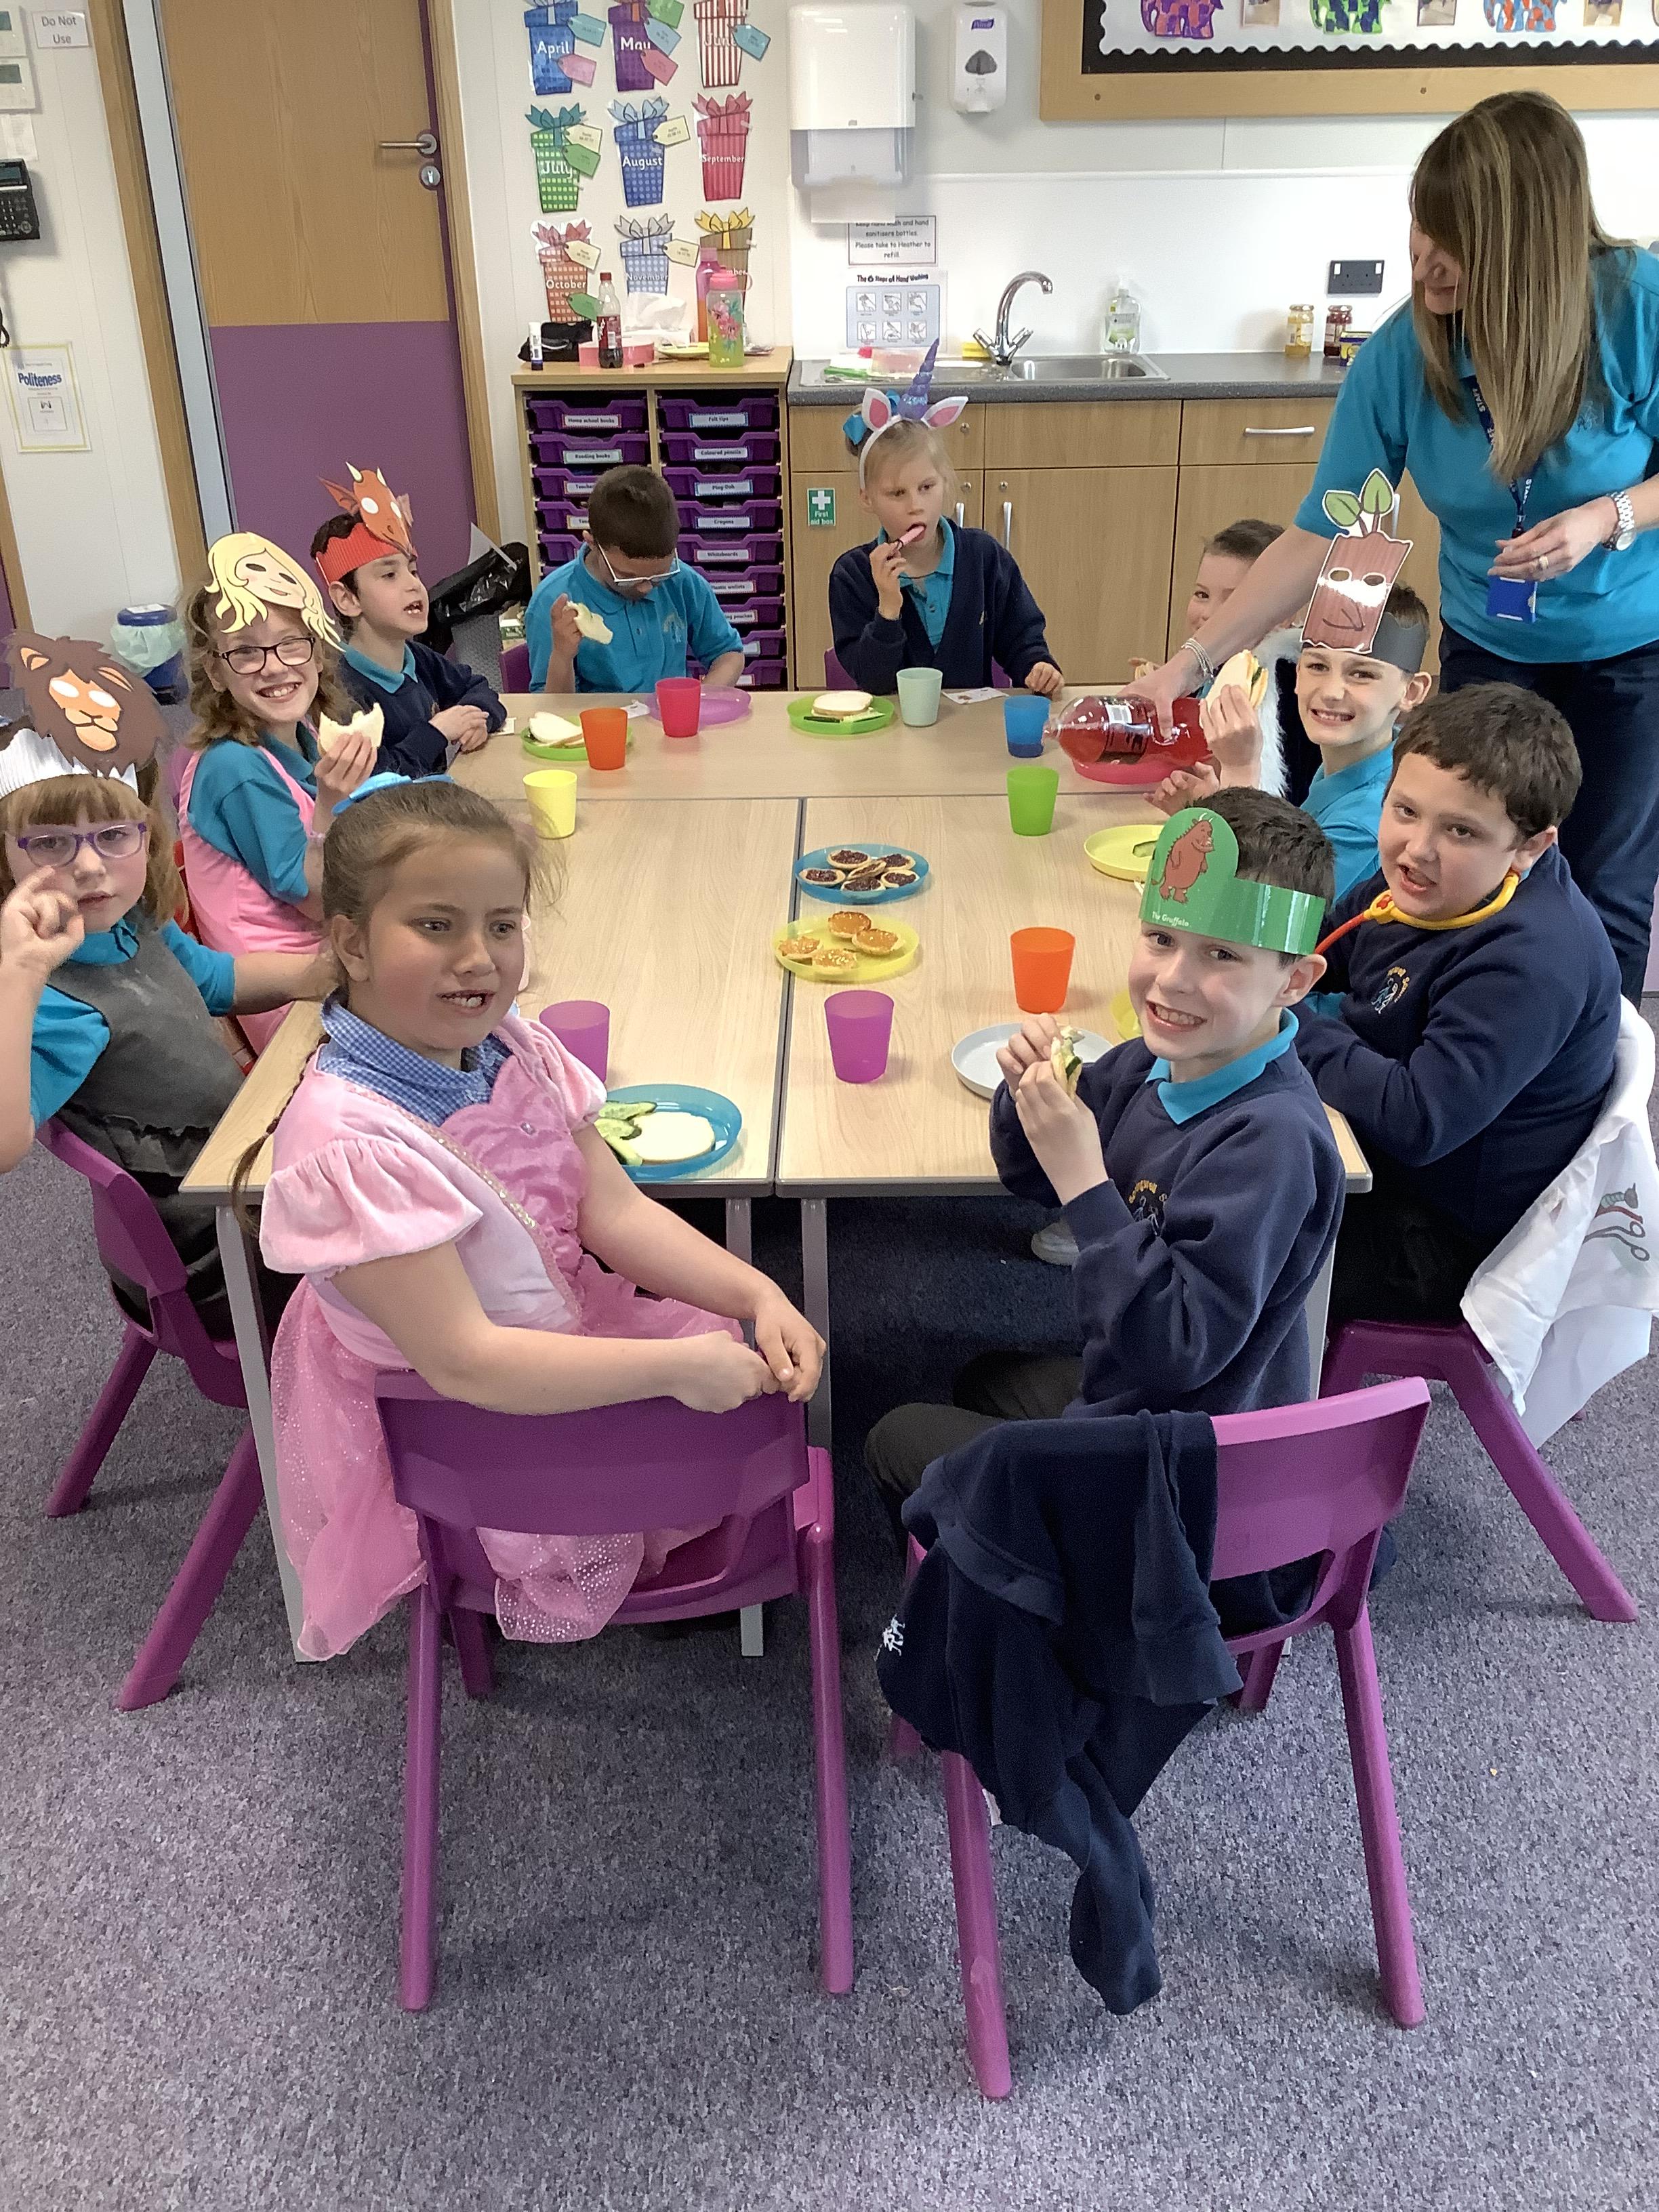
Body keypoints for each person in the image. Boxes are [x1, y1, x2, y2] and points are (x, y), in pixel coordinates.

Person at [252, 776, 823, 1660]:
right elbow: (466, 1361)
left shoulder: (512, 1046)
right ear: (352, 944)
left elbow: (613, 1211)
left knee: (726, 1395)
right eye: (436, 925)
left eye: (502, 926)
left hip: (553, 1341)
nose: (478, 958)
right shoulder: (347, 1146)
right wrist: (672, 1367)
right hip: (477, 1436)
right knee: (717, 1422)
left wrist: (757, 1293)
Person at [1131, 92, 1659, 997]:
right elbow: (1318, 533)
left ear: (1524, 246)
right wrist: (1191, 663)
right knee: (1464, 876)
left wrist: (1611, 516)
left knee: (1603, 888)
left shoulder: (1634, 308)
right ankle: (1465, 1044)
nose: (1424, 265)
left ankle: (1589, 1073)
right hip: (1495, 647)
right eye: (1419, 230)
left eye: (1452, 244)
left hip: (1631, 652)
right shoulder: (1403, 355)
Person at [865, 790, 1343, 1532]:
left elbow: (1176, 1348)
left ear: (1294, 981)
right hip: (1138, 1397)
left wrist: (1085, 1179)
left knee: (894, 1439)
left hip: (1178, 1473)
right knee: (984, 1380)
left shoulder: (1273, 1144)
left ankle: (1034, 1584)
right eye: (1161, 938)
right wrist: (1028, 1094)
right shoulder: (1154, 1063)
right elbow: (1030, 1175)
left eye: (1221, 954)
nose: (1173, 979)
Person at [1297, 684, 1620, 1331]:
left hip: (1437, 1245)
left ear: (1531, 847)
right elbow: (1325, 944)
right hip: (1384, 1163)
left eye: (1461, 831)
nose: (1416, 848)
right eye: (1405, 810)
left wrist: (1280, 1020)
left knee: (1228, 1222)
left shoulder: (1531, 963)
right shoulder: (1432, 880)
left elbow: (1417, 1120)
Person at [1032, 518, 1290, 1270]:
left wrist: (1230, 788)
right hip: (1219, 939)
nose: (1211, 616)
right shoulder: (1221, 685)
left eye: (1235, 599)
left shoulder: (1273, 698)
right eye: (1203, 595)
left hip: (1248, 986)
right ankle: (1115, 1184)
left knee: (1145, 1018)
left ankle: (1115, 1197)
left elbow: (1276, 862)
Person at [0, 764, 327, 1338]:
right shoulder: (52, 1002)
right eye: (50, 843)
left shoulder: (130, 923)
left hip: (238, 1173)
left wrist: (324, 973)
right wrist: (20, 975)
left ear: (146, 836)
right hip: (219, 1258)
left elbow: (218, 980)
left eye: (113, 834)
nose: (89, 866)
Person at [178, 531, 379, 1050]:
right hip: (288, 999)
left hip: (330, 958)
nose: (274, 665)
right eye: (246, 652)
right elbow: (314, 899)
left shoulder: (304, 736)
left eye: (292, 643)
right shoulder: (235, 767)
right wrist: (332, 803)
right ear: (215, 672)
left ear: (317, 651)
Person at [1153, 580, 1434, 899]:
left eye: (1362, 674)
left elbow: (1261, 907)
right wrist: (1217, 807)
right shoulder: (1351, 767)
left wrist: (1240, 774)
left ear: (1412, 692)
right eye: (1318, 666)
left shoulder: (1371, 818)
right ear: (1298, 673)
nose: (1331, 692)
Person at [830, 385, 1062, 698]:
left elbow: (1022, 641)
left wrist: (1038, 668)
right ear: (867, 498)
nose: (916, 505)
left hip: (972, 725)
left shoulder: (984, 557)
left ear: (943, 481)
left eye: (927, 487)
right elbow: (874, 683)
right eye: (897, 493)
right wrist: (888, 610)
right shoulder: (852, 576)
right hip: (896, 727)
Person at [310, 464, 504, 777]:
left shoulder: (417, 660)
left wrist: (478, 719)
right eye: (389, 575)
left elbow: (478, 687)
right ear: (348, 599)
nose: (414, 585)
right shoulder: (339, 691)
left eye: (413, 571)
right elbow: (374, 778)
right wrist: (436, 732)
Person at [524, 465, 745, 693]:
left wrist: (702, 700)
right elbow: (551, 707)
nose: (645, 587)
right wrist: (562, 656)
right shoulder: (554, 601)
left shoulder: (682, 582)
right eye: (627, 576)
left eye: (658, 575)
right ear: (593, 543)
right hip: (597, 716)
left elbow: (729, 654)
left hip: (669, 714)